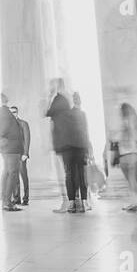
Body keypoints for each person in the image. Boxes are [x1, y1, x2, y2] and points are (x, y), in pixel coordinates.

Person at [46, 80, 90, 213]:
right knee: (80, 173)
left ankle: (72, 203)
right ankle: (82, 202)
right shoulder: (79, 113)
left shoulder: (59, 101)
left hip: (67, 145)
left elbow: (47, 112)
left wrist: (50, 96)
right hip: (80, 144)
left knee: (69, 173)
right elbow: (84, 131)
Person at [115, 102, 137, 211]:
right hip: (134, 154)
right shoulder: (135, 121)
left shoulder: (126, 122)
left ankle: (135, 202)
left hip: (127, 154)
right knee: (136, 179)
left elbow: (117, 138)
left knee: (132, 180)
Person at [0, 93, 23, 212]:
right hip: (11, 148)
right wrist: (1, 140)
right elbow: (3, 128)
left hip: (10, 147)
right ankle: (7, 202)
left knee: (8, 173)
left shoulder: (4, 111)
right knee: (12, 174)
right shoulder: (3, 111)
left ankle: (7, 201)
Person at [11, 105, 31, 206]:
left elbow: (27, 139)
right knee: (15, 178)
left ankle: (26, 198)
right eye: (11, 112)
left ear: (17, 112)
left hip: (21, 154)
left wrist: (26, 153)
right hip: (12, 155)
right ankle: (16, 198)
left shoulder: (23, 124)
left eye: (14, 112)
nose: (13, 114)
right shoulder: (9, 126)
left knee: (24, 177)